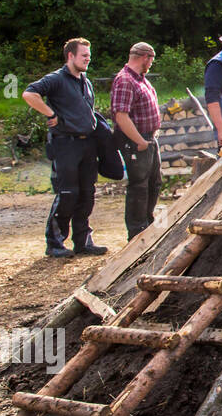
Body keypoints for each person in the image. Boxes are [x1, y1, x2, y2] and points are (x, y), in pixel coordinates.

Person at [22, 38, 108, 258]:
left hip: (87, 143)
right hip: (65, 144)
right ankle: (55, 243)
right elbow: (29, 93)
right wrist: (50, 114)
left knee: (87, 194)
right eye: (84, 55)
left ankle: (83, 241)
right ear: (70, 56)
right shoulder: (56, 79)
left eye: (89, 55)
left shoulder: (85, 81)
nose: (88, 59)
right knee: (68, 193)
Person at [111, 42, 162, 240]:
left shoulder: (140, 79)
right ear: (145, 57)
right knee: (139, 186)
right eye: (151, 60)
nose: (151, 64)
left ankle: (147, 225)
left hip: (148, 139)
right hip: (135, 141)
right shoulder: (125, 80)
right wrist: (139, 140)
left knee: (153, 183)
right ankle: (137, 232)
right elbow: (121, 116)